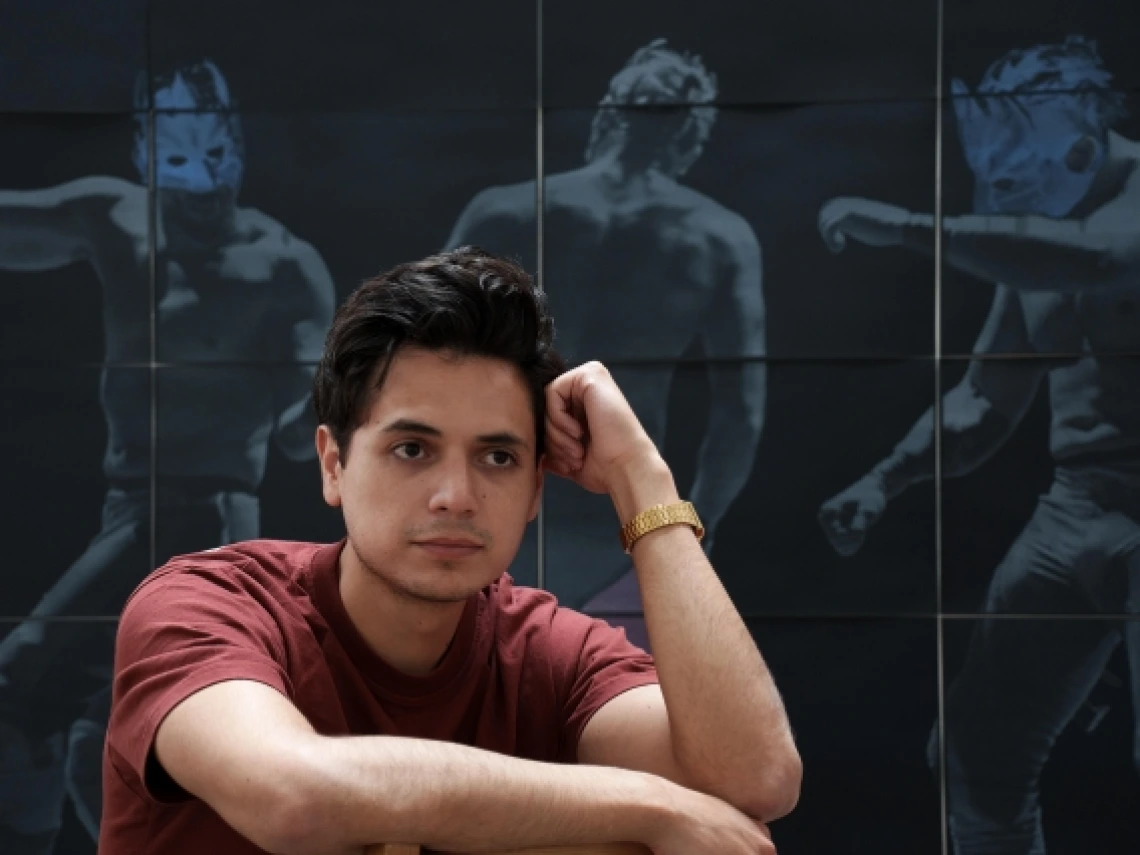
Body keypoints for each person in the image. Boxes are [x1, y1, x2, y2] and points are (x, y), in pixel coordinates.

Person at [99, 247, 800, 855]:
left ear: (535, 488)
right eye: (413, 448)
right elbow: (295, 793)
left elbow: (754, 781)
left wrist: (640, 477)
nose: (455, 496)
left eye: (498, 456)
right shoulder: (203, 604)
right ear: (333, 464)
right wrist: (654, 805)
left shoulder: (550, 653)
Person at [0, 59, 335, 853]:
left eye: (213, 160)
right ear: (147, 157)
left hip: (206, 513)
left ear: (237, 153)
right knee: (91, 740)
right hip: (126, 509)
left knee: (22, 674)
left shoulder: (282, 266)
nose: (200, 187)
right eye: (177, 163)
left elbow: (298, 439)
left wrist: (348, 381)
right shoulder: (111, 219)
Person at [815, 36, 1140, 854]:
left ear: (1081, 142)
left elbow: (1103, 262)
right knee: (975, 754)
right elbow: (984, 401)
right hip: (1077, 511)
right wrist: (882, 481)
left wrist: (904, 228)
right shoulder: (1043, 232)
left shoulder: (1111, 218)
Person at [445, 40, 765, 643]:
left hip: (484, 505)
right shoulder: (720, 239)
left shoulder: (505, 209)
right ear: (692, 131)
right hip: (615, 521)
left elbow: (422, 362)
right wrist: (692, 531)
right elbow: (739, 414)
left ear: (611, 111)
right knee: (610, 722)